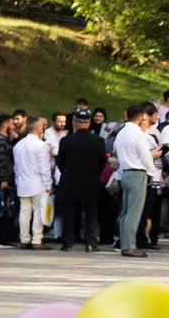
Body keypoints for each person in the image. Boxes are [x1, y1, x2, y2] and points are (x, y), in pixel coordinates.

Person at [54, 110, 109, 251]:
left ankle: (67, 242)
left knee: (69, 212)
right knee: (91, 211)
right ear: (89, 123)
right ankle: (90, 242)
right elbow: (102, 162)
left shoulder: (66, 140)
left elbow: (60, 162)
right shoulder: (98, 141)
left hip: (71, 180)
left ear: (74, 122)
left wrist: (68, 172)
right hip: (91, 181)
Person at [114, 104, 159, 257]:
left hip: (125, 173)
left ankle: (124, 243)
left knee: (126, 211)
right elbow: (145, 156)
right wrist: (151, 172)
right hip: (137, 173)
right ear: (140, 117)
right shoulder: (138, 134)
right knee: (134, 212)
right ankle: (129, 246)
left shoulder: (121, 133)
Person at [13, 115, 54, 250]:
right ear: (38, 128)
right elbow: (44, 167)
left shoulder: (18, 145)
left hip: (23, 182)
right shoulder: (41, 145)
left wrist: (17, 181)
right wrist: (48, 185)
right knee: (38, 211)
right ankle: (37, 239)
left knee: (24, 212)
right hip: (37, 183)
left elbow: (16, 167)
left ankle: (24, 239)